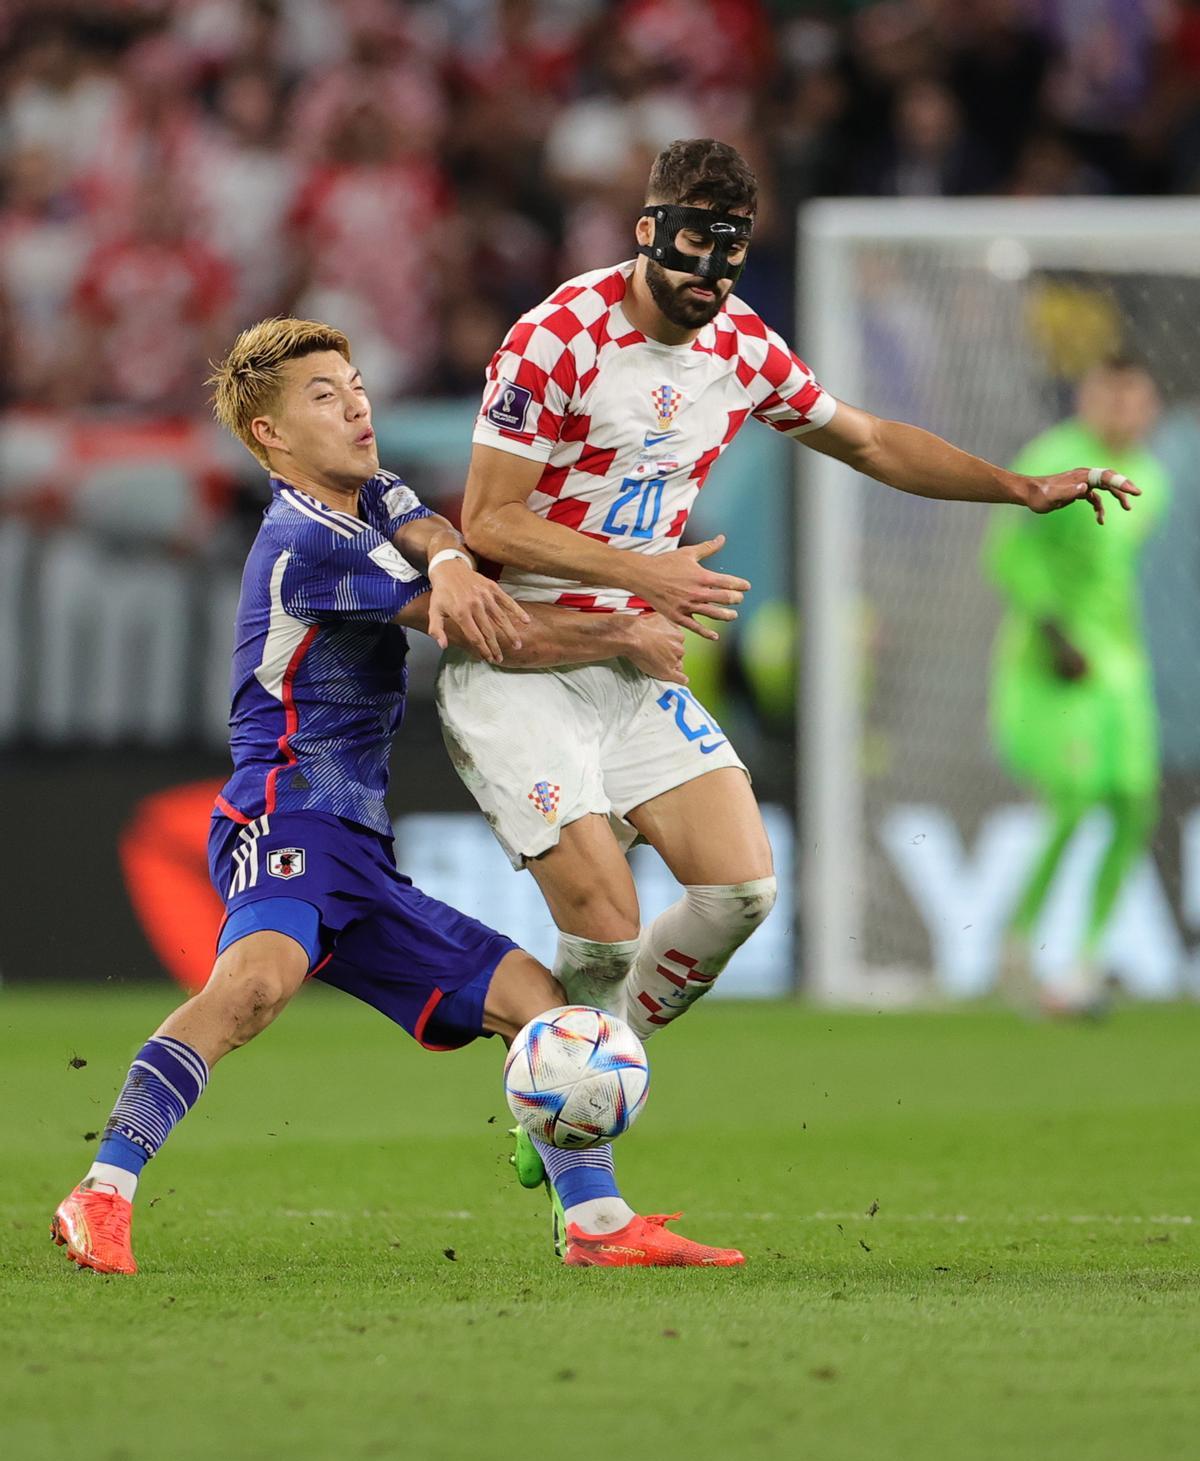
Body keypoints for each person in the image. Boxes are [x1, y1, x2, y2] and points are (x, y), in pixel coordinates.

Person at [440, 137, 1137, 1239]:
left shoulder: (740, 345)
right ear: (645, 230)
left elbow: (865, 438)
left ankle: (575, 1075)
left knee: (743, 892)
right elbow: (489, 520)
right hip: (524, 655)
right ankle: (589, 1185)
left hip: (627, 657)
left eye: (728, 252)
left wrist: (1019, 488)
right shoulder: (555, 340)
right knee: (607, 924)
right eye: (688, 243)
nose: (706, 272)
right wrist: (643, 575)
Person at [51, 316, 743, 1275]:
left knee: (545, 1011)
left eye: (357, 383)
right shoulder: (308, 542)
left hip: (359, 853)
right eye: (324, 397)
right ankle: (101, 1193)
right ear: (271, 436)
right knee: (253, 986)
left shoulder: (365, 494)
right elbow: (490, 633)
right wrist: (627, 628)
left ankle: (594, 1224)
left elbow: (419, 519)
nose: (357, 405)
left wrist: (451, 550)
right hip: (282, 814)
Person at [984, 358, 1170, 1013]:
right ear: (1090, 396)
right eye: (1114, 398)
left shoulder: (1153, 475)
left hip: (1122, 664)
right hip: (1055, 661)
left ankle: (1086, 963)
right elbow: (1008, 553)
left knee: (1134, 804)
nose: (1127, 412)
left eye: (1137, 400)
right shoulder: (1056, 458)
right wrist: (1056, 632)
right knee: (1074, 799)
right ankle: (1019, 941)